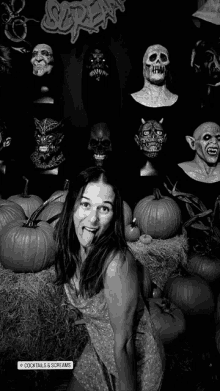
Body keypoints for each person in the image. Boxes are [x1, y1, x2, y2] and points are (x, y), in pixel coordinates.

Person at [54, 166, 164, 391]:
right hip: (99, 349)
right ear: (72, 205)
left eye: (104, 209)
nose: (92, 219)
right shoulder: (70, 247)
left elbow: (124, 343)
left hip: (132, 361)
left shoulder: (116, 264)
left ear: (114, 215)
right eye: (85, 204)